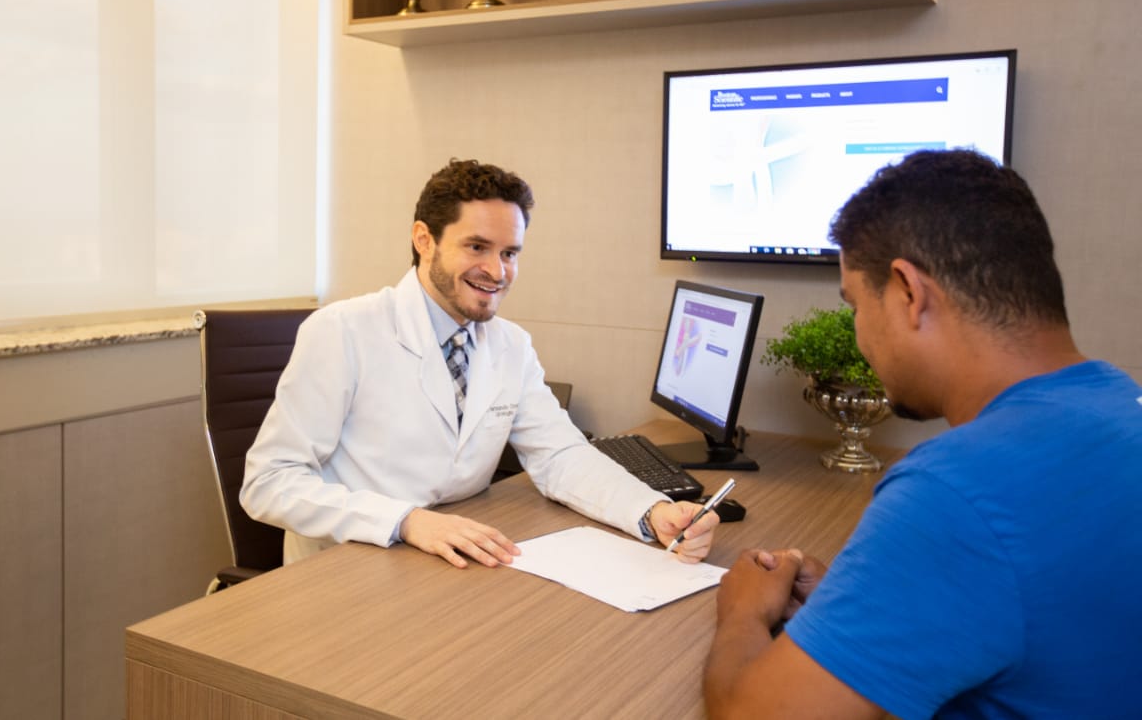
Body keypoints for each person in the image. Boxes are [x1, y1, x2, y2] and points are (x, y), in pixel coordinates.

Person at [705, 149, 1142, 719]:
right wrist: (874, 601)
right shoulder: (1121, 407)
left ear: (909, 292)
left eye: (856, 306)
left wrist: (742, 612)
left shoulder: (958, 487)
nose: (859, 336)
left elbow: (751, 716)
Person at [241, 159, 720, 568]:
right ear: (424, 240)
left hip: (449, 563)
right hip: (349, 565)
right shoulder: (343, 331)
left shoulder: (510, 345)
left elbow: (560, 456)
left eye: (510, 253)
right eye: (477, 247)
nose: (497, 271)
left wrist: (653, 511)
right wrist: (404, 521)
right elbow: (269, 482)